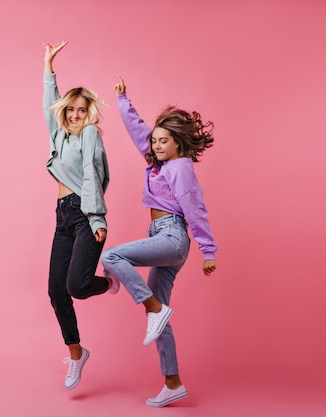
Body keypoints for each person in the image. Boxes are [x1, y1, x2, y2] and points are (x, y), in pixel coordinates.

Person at [101, 76, 218, 407]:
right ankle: (173, 382)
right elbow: (139, 132)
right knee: (161, 316)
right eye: (155, 142)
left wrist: (209, 251)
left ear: (178, 144)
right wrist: (124, 100)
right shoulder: (157, 161)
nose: (156, 146)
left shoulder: (179, 168)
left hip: (173, 236)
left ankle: (151, 307)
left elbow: (195, 210)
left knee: (112, 257)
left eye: (163, 142)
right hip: (163, 237)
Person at [42, 41, 118, 391]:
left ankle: (108, 281)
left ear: (89, 112)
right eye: (70, 109)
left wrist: (97, 218)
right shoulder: (59, 135)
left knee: (78, 286)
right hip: (62, 217)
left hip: (85, 213)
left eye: (80, 109)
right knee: (57, 290)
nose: (74, 114)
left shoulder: (89, 134)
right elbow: (48, 105)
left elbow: (91, 173)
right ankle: (76, 353)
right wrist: (48, 66)